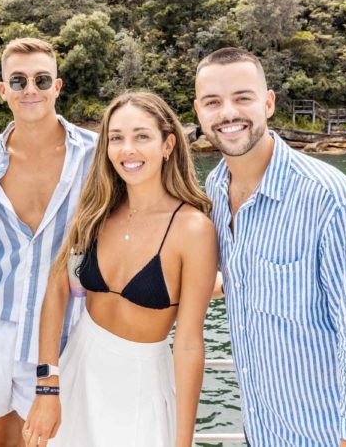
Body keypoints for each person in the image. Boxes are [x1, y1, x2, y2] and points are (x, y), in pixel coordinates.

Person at [194, 47, 346, 447]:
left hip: (332, 437)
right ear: (198, 110)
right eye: (213, 102)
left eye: (242, 98)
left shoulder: (333, 200)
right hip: (265, 432)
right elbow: (242, 274)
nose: (228, 113)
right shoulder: (215, 189)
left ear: (268, 103)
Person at [23, 91, 218, 447]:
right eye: (116, 138)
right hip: (77, 370)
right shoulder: (96, 210)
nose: (127, 149)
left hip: (141, 387)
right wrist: (46, 387)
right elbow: (57, 289)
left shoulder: (192, 229)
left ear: (168, 144)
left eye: (141, 136)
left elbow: (189, 343)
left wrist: (183, 441)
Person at [0, 38, 97, 447]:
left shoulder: (96, 154)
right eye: (17, 81)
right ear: (3, 90)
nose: (30, 89)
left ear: (58, 86)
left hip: (66, 329)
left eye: (41, 79)